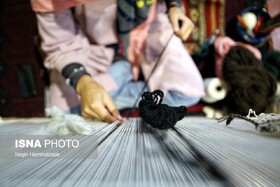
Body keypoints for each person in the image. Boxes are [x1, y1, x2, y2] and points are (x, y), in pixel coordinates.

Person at [31, 0, 205, 123]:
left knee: (189, 93)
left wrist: (174, 6)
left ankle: (117, 83)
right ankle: (122, 76)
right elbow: (61, 42)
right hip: (92, 44)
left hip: (150, 28)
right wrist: (84, 83)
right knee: (64, 116)